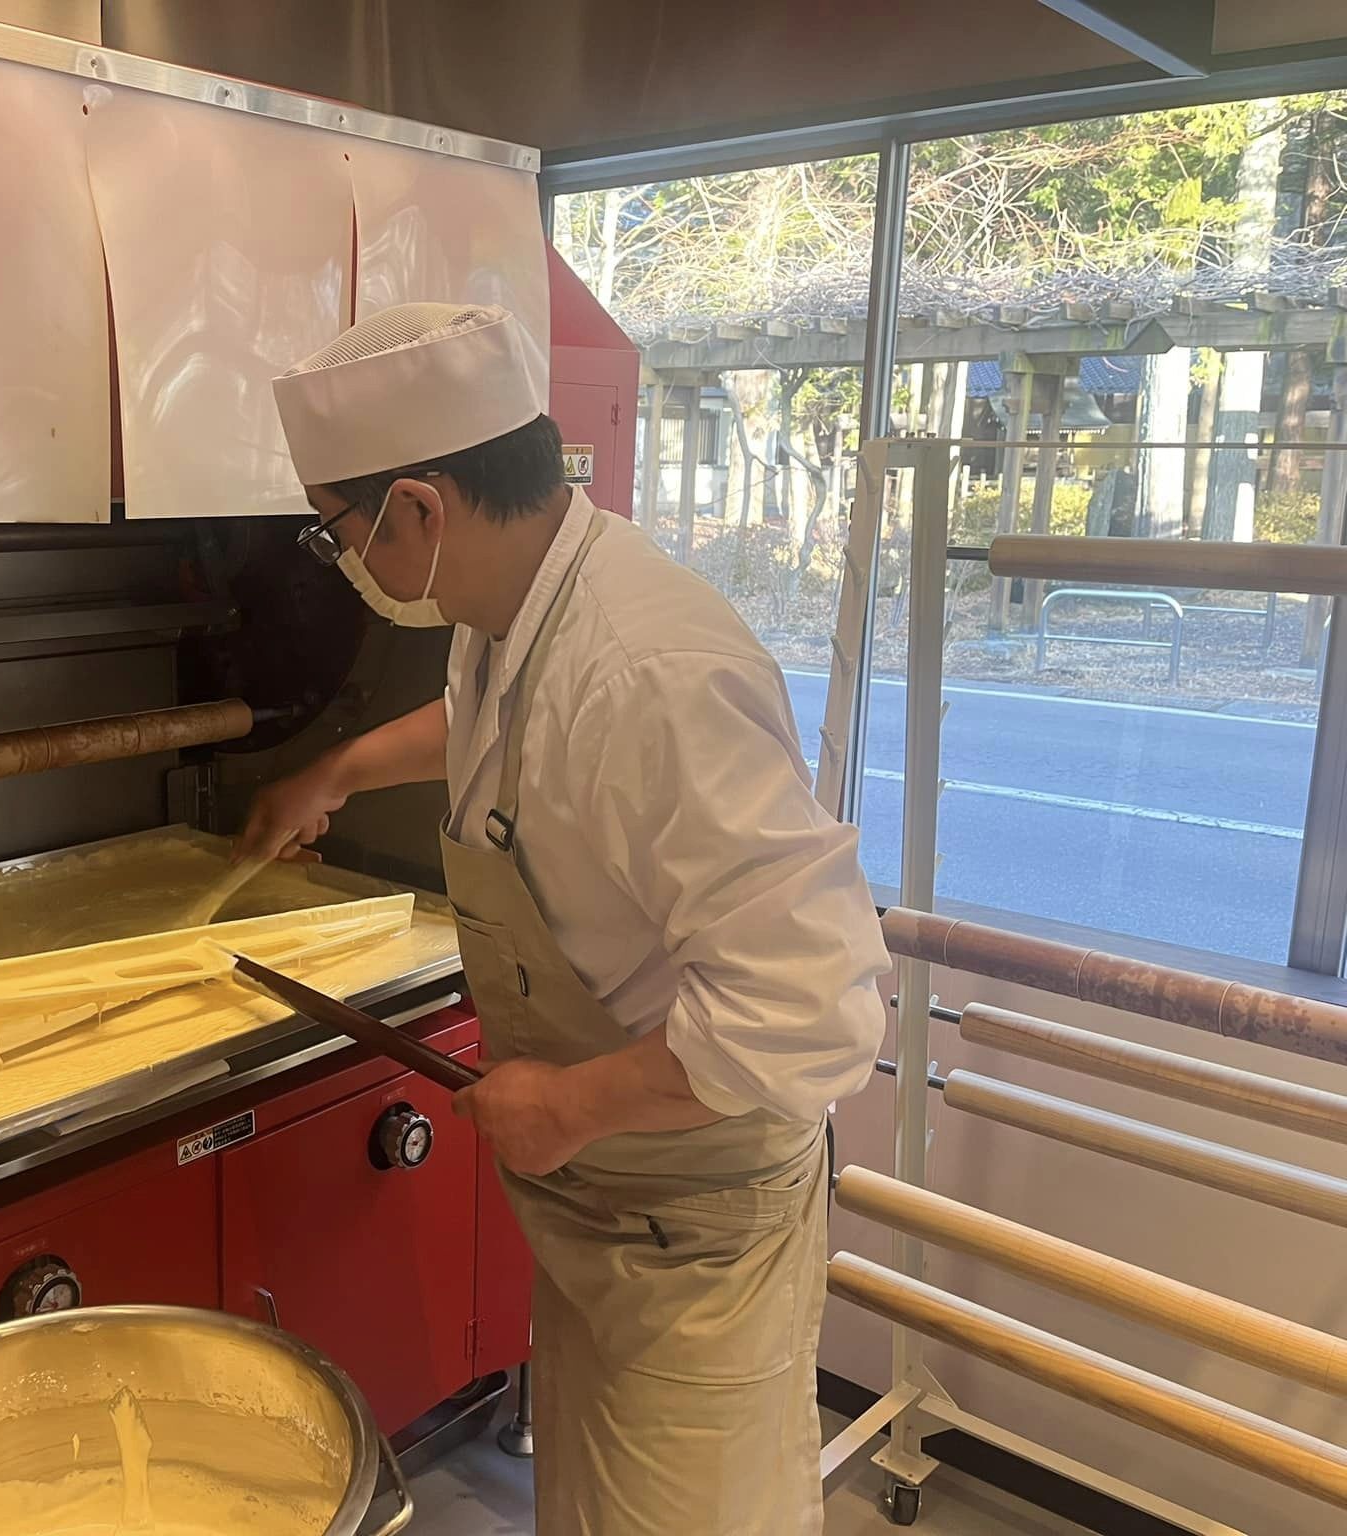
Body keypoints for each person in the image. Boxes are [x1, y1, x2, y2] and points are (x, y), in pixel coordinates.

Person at [241, 302, 890, 1534]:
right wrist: (335, 771)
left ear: (418, 509)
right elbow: (492, 723)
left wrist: (573, 1103)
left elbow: (810, 1012)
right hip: (609, 1204)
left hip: (694, 1224)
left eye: (337, 532)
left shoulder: (651, 670)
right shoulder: (520, 607)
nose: (345, 562)